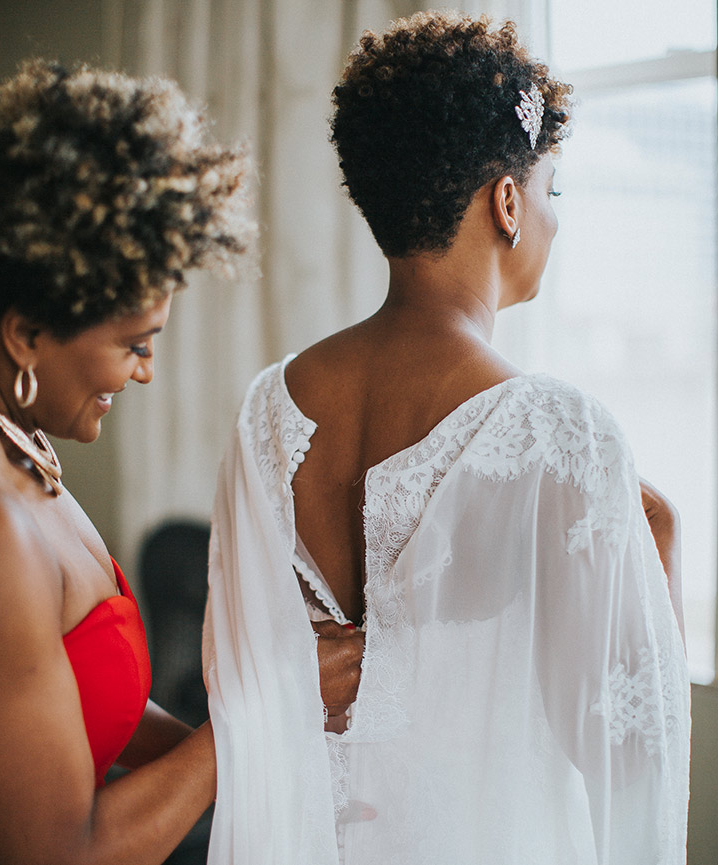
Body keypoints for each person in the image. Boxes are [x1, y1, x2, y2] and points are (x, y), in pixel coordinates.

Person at [202, 11, 690, 865]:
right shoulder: (556, 428)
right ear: (506, 202)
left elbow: (246, 687)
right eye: (551, 193)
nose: (553, 219)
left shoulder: (266, 412)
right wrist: (663, 544)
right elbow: (630, 752)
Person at [0, 59, 364, 865]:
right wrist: (269, 712)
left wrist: (262, 722)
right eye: (134, 344)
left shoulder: (19, 446)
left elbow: (72, 699)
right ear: (26, 331)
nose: (144, 371)